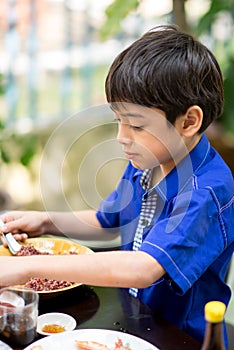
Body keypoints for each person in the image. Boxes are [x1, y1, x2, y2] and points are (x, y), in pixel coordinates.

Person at [0, 25, 233, 347]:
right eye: (118, 121)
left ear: (189, 122)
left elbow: (144, 268)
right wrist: (45, 220)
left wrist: (25, 268)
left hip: (179, 336)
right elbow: (108, 219)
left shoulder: (207, 191)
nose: (122, 136)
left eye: (136, 125)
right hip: (133, 317)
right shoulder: (147, 162)